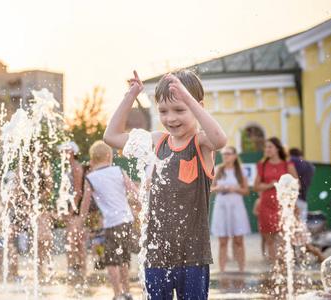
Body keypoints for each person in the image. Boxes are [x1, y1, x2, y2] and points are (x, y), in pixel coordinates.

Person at [104, 70, 227, 300]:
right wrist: (131, 95)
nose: (171, 118)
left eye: (180, 110)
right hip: (156, 255)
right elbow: (111, 136)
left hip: (193, 257)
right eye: (163, 111)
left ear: (197, 106)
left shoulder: (200, 143)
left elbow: (220, 139)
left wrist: (188, 98)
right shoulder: (157, 141)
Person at [80, 141, 139, 300]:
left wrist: (81, 223)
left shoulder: (91, 178)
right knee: (124, 258)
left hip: (111, 223)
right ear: (108, 156)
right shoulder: (119, 170)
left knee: (112, 261)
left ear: (93, 159)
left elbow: (85, 203)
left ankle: (117, 294)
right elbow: (134, 191)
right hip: (127, 220)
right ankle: (127, 292)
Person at [253, 137, 298, 262]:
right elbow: (256, 187)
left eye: (270, 147)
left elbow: (295, 185)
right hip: (266, 205)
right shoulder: (262, 165)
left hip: (282, 205)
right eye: (266, 147)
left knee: (283, 237)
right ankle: (274, 266)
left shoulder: (287, 165)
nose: (266, 149)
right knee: (269, 239)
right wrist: (270, 185)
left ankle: (284, 265)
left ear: (277, 149)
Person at [211, 146, 250, 272]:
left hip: (236, 206)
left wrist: (235, 189)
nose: (226, 156)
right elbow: (211, 189)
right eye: (224, 154)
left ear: (234, 156)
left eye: (228, 154)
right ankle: (222, 270)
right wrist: (220, 188)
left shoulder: (240, 171)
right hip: (222, 206)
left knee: (239, 240)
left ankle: (241, 270)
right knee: (223, 240)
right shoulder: (218, 169)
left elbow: (246, 191)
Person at [58, 141, 87, 285]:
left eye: (67, 151)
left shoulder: (76, 167)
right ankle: (77, 269)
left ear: (73, 152)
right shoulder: (68, 167)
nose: (64, 154)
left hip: (76, 208)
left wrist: (71, 211)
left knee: (74, 239)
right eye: (63, 152)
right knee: (74, 239)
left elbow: (78, 191)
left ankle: (78, 269)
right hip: (72, 207)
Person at [289, 148, 315, 223]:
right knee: (302, 226)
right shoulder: (309, 165)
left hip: (292, 197)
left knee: (291, 226)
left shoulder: (291, 161)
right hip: (303, 199)